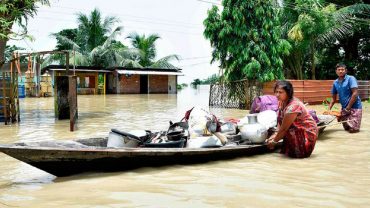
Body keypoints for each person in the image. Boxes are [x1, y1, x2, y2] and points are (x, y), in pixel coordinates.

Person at [266, 80, 318, 158]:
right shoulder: (281, 102)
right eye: (276, 92)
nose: (277, 95)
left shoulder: (293, 107)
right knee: (286, 154)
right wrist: (274, 135)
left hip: (305, 133)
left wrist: (274, 142)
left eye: (280, 92)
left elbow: (284, 129)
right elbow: (280, 121)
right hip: (293, 130)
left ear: (288, 93)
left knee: (297, 156)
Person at [329, 63, 362, 133]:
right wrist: (328, 110)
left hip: (355, 107)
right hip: (344, 109)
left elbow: (355, 93)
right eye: (339, 70)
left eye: (342, 69)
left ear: (346, 71)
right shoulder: (335, 82)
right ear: (336, 71)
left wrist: (348, 107)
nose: (340, 71)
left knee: (353, 130)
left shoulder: (351, 79)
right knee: (346, 128)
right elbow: (333, 99)